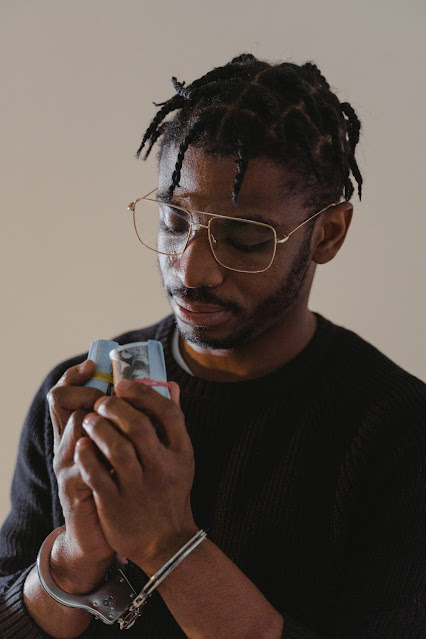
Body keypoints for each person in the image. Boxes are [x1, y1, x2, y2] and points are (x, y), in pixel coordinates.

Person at [0, 53, 424, 639]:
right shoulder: (80, 399)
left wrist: (169, 544)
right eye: (174, 219)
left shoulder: (399, 435)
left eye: (245, 237)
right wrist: (76, 557)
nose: (191, 269)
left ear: (328, 234)